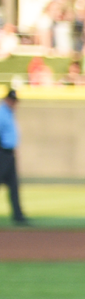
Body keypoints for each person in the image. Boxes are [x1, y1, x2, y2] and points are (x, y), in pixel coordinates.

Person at [0, 87, 26, 225]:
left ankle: (18, 216)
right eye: (12, 100)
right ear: (6, 99)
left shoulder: (10, 113)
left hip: (9, 153)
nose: (14, 103)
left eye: (15, 101)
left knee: (14, 185)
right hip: (2, 153)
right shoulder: (2, 112)